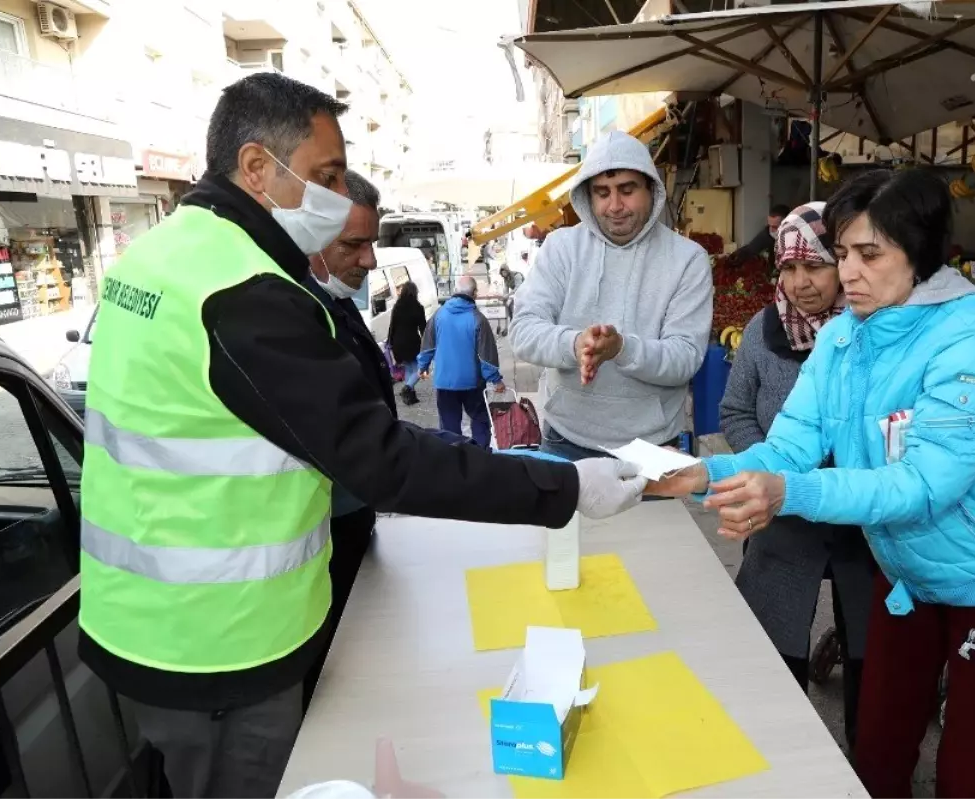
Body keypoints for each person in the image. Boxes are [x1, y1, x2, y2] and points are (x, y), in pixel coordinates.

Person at [77, 72, 647, 799]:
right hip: (218, 643)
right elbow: (380, 456)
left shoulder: (161, 253)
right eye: (325, 176)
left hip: (142, 621)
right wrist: (563, 485)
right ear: (256, 168)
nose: (341, 197)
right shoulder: (243, 293)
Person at [648, 168, 975, 798]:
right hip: (906, 576)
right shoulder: (842, 338)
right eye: (843, 254)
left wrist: (791, 493)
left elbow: (922, 485)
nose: (850, 273)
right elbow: (790, 445)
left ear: (919, 252)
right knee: (880, 742)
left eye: (871, 254)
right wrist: (702, 474)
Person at [718, 202, 873, 754]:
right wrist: (768, 465)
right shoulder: (763, 333)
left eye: (816, 266)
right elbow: (734, 411)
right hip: (783, 522)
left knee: (872, 660)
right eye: (788, 268)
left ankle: (869, 768)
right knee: (772, 651)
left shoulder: (872, 335)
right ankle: (777, 759)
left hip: (864, 524)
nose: (801, 283)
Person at [511, 130, 713, 460]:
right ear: (587, 197)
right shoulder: (561, 248)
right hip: (566, 438)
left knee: (656, 517)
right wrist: (575, 344)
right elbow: (523, 330)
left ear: (652, 189)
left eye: (627, 190)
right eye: (602, 193)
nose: (615, 206)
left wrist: (621, 348)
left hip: (652, 447)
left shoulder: (688, 259)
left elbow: (685, 358)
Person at [298, 169, 393, 711]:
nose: (371, 261)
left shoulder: (333, 304)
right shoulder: (298, 316)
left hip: (350, 521)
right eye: (355, 245)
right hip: (322, 542)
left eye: (372, 243)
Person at [418, 275, 505, 448]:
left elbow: (427, 345)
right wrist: (496, 380)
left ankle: (455, 461)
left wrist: (423, 367)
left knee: (449, 428)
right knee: (480, 420)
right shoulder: (478, 318)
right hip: (471, 383)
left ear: (455, 291)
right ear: (474, 293)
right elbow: (486, 355)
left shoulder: (439, 315)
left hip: (444, 382)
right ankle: (481, 457)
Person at [388, 280, 427, 406]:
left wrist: (390, 342)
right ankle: (407, 387)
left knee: (409, 368)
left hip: (398, 343)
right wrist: (427, 343)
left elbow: (392, 326)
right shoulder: (418, 307)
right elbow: (423, 328)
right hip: (412, 343)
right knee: (420, 369)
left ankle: (410, 396)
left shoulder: (397, 306)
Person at [727, 202, 791, 265]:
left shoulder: (798, 237)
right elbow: (749, 250)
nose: (771, 230)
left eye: (775, 227)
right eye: (769, 225)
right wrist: (731, 256)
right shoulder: (766, 235)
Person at [496, 264, 524, 336]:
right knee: (508, 305)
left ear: (507, 270)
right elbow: (505, 289)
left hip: (524, 293)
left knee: (516, 308)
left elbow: (518, 288)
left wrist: (508, 295)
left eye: (504, 272)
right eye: (502, 273)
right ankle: (512, 324)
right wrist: (504, 297)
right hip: (516, 294)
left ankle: (519, 327)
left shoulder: (517, 275)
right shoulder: (506, 279)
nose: (504, 274)